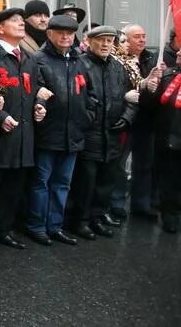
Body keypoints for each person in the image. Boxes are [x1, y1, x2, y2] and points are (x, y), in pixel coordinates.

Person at [0, 8, 43, 254]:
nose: (21, 24)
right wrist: (0, 115)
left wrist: (39, 105)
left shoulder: (28, 58)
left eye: (22, 21)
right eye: (14, 21)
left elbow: (35, 89)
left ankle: (3, 229)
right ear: (0, 28)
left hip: (24, 133)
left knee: (13, 187)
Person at [26, 15, 94, 247]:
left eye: (70, 33)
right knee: (41, 182)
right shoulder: (38, 59)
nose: (65, 37)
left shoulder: (80, 61)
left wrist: (87, 116)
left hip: (73, 133)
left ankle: (55, 226)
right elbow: (34, 91)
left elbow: (90, 95)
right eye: (60, 32)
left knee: (63, 183)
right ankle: (36, 226)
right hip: (48, 132)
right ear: (49, 34)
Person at [68, 26, 137, 240]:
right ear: (89, 41)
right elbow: (77, 99)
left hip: (114, 134)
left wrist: (126, 118)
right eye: (102, 40)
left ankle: (97, 217)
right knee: (86, 182)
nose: (106, 44)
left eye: (110, 40)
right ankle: (80, 220)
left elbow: (131, 97)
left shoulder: (118, 67)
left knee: (106, 181)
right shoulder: (80, 64)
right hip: (91, 135)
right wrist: (90, 119)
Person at [110, 23, 159, 221]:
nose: (142, 40)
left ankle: (141, 205)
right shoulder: (118, 60)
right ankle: (117, 204)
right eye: (137, 36)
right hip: (126, 119)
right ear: (126, 40)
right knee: (120, 165)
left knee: (145, 164)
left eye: (144, 36)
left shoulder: (151, 58)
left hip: (146, 119)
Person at [140, 50, 181, 233]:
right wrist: (150, 89)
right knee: (170, 179)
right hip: (168, 136)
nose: (178, 52)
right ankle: (170, 217)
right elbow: (149, 105)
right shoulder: (167, 75)